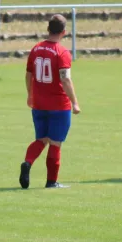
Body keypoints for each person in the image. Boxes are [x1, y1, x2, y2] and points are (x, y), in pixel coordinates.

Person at [19, 14, 81, 189]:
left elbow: (28, 74)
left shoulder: (36, 49)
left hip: (38, 103)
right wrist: (75, 102)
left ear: (48, 29)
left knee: (41, 139)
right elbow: (65, 79)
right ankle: (51, 182)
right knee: (55, 142)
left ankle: (28, 162)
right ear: (64, 32)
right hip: (58, 105)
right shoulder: (62, 53)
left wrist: (30, 94)